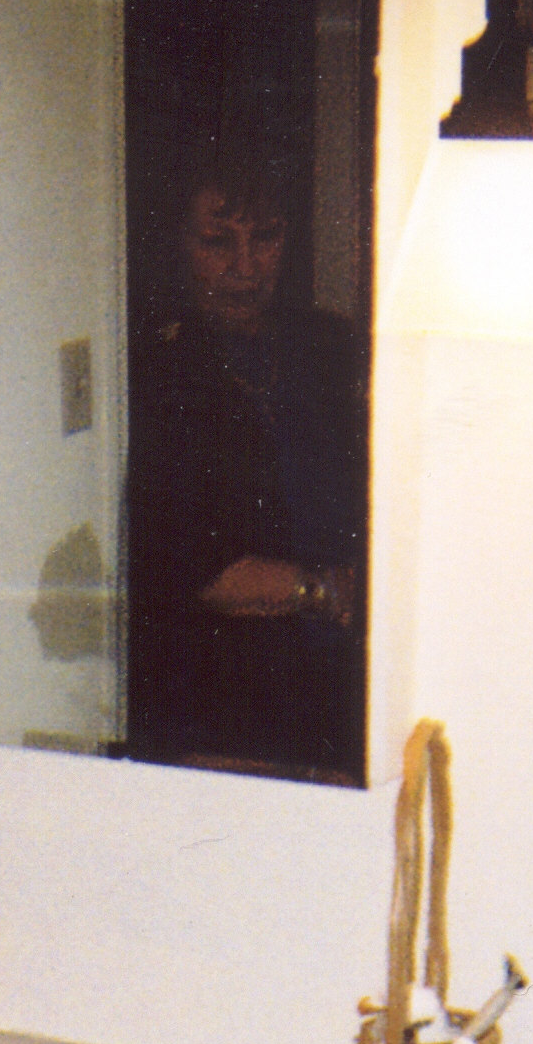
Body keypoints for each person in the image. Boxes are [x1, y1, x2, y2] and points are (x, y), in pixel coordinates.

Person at [123, 157, 367, 780]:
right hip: (224, 701)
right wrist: (333, 590)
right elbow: (199, 573)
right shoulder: (155, 370)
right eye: (217, 242)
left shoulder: (330, 348)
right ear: (174, 244)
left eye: (266, 236)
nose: (246, 265)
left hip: (340, 684)